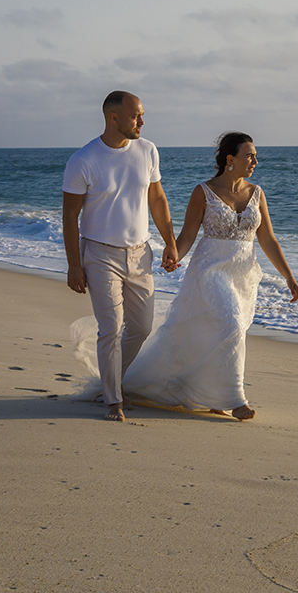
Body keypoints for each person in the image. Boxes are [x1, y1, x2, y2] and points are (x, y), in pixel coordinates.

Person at [117, 131, 298, 421]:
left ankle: (212, 394)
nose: (255, 160)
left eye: (255, 155)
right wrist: (174, 254)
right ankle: (235, 399)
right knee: (231, 323)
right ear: (231, 159)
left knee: (223, 332)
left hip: (243, 274)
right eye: (249, 155)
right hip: (210, 270)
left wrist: (288, 276)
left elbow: (268, 240)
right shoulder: (203, 191)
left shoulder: (257, 193)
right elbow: (189, 234)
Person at [62, 91, 179, 422]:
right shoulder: (83, 160)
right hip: (99, 254)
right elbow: (70, 216)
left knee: (140, 328)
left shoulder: (148, 150)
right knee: (111, 326)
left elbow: (156, 198)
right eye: (135, 116)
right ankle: (113, 400)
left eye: (141, 115)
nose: (142, 121)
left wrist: (170, 241)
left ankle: (109, 380)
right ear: (113, 118)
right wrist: (74, 264)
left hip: (141, 254)